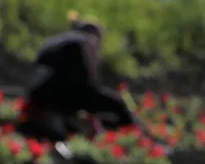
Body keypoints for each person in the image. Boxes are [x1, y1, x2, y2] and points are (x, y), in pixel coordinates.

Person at [22, 13, 142, 142]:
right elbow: (92, 78)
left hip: (38, 94)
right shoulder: (89, 39)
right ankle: (134, 136)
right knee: (118, 105)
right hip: (65, 93)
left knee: (74, 115)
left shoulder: (57, 40)